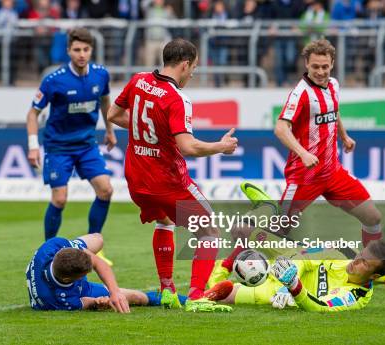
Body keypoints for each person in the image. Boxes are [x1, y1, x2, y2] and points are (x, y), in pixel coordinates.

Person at [107, 38, 238, 312]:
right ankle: (196, 296)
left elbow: (113, 114)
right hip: (166, 180)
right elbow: (188, 146)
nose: (192, 74)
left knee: (164, 221)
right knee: (209, 231)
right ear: (185, 64)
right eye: (194, 69)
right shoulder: (178, 98)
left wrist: (147, 134)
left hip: (136, 178)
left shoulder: (138, 80)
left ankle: (167, 290)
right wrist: (221, 147)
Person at [273, 38, 385, 288]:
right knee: (275, 232)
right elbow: (281, 129)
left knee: (373, 217)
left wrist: (343, 135)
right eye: (315, 67)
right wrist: (302, 152)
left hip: (333, 173)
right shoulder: (300, 94)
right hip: (305, 176)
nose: (321, 72)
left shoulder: (333, 85)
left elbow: (334, 112)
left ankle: (369, 271)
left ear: (332, 63)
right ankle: (235, 268)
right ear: (306, 64)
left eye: (325, 66)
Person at [26, 28, 116, 265]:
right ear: (68, 51)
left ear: (91, 50)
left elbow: (106, 101)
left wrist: (109, 129)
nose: (82, 54)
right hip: (58, 147)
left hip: (87, 145)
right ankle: (46, 252)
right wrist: (33, 145)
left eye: (86, 49)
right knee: (60, 199)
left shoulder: (100, 75)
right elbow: (33, 114)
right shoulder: (54, 80)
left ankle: (93, 247)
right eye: (77, 50)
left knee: (106, 190)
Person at [208, 239, 385, 312]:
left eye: (364, 263)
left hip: (273, 293)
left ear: (372, 276)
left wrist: (293, 287)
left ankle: (222, 267)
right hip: (288, 259)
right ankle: (271, 209)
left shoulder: (354, 296)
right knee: (244, 230)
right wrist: (287, 282)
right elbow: (303, 258)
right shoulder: (344, 251)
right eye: (360, 255)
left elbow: (321, 307)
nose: (355, 262)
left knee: (217, 294)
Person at [26, 233, 188, 312]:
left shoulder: (52, 247)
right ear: (70, 279)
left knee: (98, 239)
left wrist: (114, 291)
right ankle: (187, 300)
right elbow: (87, 302)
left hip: (60, 273)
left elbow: (98, 263)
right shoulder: (60, 300)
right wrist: (99, 302)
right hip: (81, 292)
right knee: (136, 297)